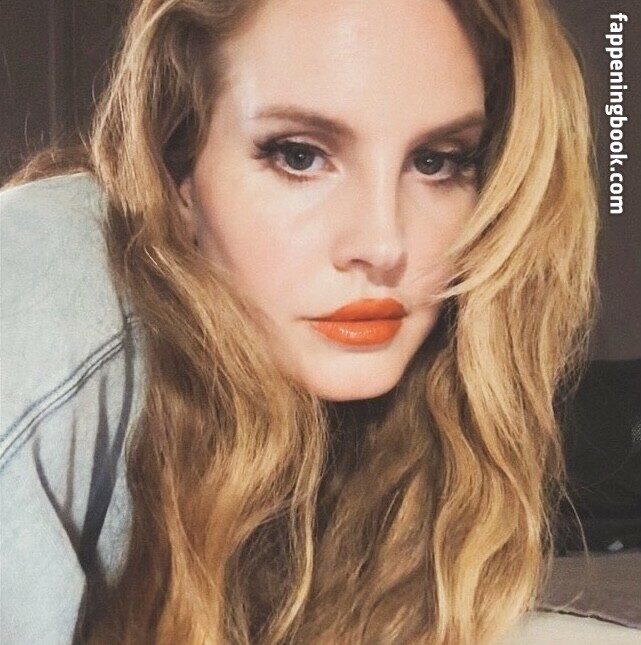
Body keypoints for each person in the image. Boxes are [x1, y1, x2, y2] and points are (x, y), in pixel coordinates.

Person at [0, 0, 597, 643]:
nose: (384, 244)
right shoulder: (45, 269)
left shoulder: (415, 426)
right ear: (178, 169)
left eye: (437, 161)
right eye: (300, 156)